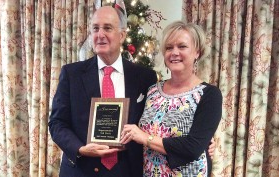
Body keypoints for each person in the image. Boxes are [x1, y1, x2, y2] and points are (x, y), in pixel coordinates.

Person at [48, 5, 157, 177]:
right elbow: (57, 123)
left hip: (127, 171)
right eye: (95, 28)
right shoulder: (71, 74)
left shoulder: (145, 77)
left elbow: (158, 121)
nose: (100, 35)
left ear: (122, 35)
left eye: (107, 28)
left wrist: (201, 140)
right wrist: (80, 149)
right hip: (82, 170)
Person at [120, 21, 222, 177]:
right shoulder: (152, 91)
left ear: (197, 52)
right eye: (169, 47)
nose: (174, 52)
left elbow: (193, 147)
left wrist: (145, 138)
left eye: (182, 46)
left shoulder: (209, 95)